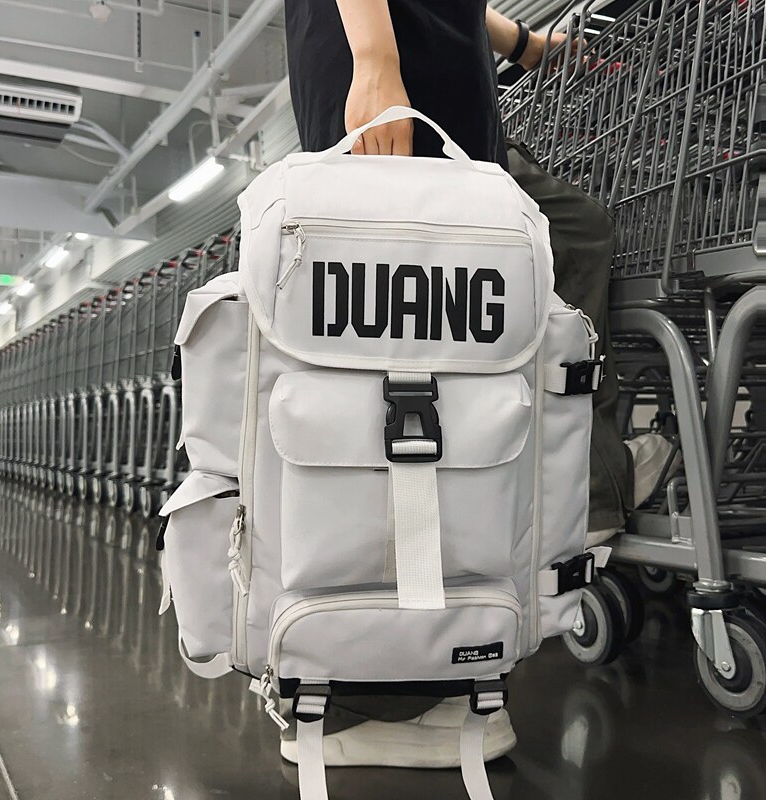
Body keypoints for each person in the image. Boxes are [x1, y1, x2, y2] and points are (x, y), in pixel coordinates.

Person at [280, 0, 674, 770]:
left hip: (444, 108)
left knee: (567, 239)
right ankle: (374, 694)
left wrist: (517, 41)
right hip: (397, 93)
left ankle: (439, 661)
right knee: (409, 388)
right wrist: (375, 57)